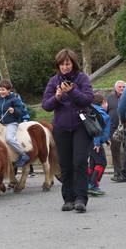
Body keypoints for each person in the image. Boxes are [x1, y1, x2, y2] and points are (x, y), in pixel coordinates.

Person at [42, 49, 94, 213]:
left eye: (68, 63)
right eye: (62, 64)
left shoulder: (82, 78)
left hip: (81, 125)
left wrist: (72, 91)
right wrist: (57, 96)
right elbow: (46, 105)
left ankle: (81, 199)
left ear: (73, 63)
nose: (65, 67)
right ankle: (68, 199)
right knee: (65, 164)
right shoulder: (53, 81)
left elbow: (87, 99)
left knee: (79, 162)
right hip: (61, 128)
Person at [0, 80, 30, 168]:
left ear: (9, 90)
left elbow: (20, 112)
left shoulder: (15, 99)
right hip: (1, 124)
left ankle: (23, 154)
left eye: (3, 90)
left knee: (9, 138)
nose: (1, 92)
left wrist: (14, 111)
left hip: (12, 123)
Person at [87, 94, 110, 197]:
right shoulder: (101, 113)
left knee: (92, 163)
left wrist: (105, 140)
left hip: (89, 141)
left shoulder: (91, 111)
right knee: (101, 162)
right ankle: (93, 185)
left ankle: (87, 184)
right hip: (96, 143)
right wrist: (97, 143)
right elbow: (98, 129)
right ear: (104, 102)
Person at [105, 80, 126, 179]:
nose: (122, 88)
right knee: (115, 150)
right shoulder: (109, 98)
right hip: (114, 128)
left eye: (123, 87)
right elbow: (105, 112)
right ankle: (117, 172)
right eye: (120, 87)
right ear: (115, 88)